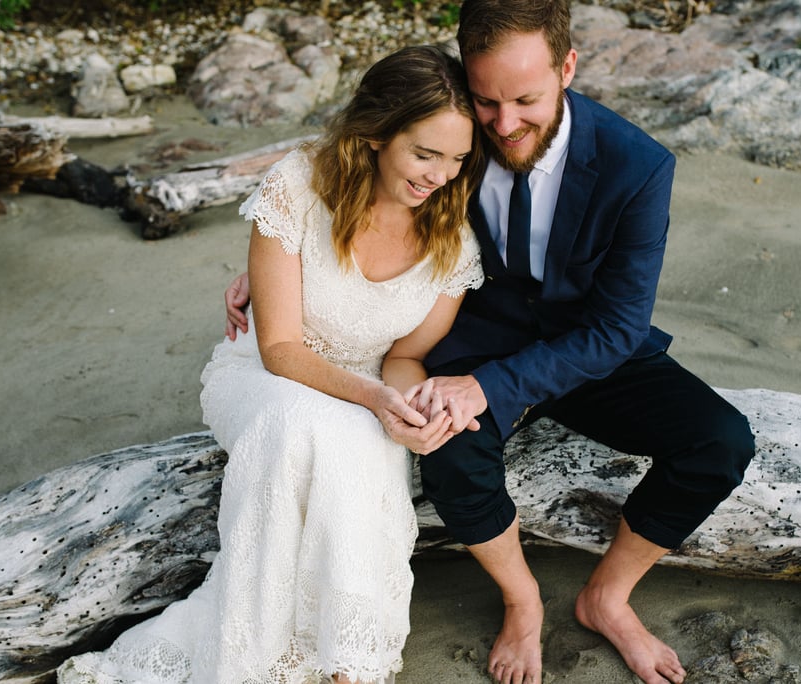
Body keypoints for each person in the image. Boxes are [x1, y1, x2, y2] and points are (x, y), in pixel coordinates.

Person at [225, 2, 756, 683]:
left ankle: (608, 596)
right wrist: (277, 268)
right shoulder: (455, 135)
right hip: (469, 333)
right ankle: (523, 599)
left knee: (720, 440)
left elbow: (619, 325)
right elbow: (368, 184)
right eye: (487, 101)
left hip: (587, 344)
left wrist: (493, 388)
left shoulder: (638, 165)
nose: (505, 126)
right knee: (452, 453)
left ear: (567, 66)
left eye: (526, 100)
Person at [57, 44, 486, 684]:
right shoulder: (299, 184)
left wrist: (410, 406)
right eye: (425, 154)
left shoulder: (452, 236)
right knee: (303, 426)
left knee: (357, 443)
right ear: (374, 133)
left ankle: (346, 659)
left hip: (365, 388)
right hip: (264, 374)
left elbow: (404, 355)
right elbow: (279, 348)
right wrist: (371, 400)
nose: (440, 176)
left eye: (456, 159)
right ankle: (252, 659)